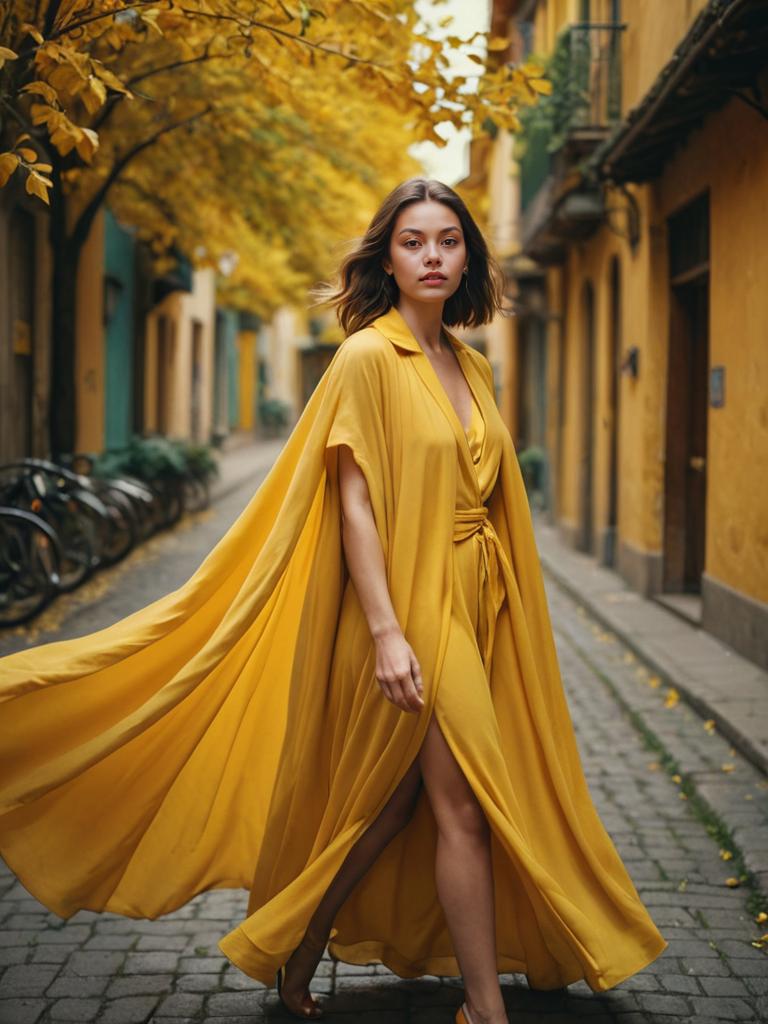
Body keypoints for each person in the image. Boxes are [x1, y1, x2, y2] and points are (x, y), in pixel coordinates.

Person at [0, 178, 667, 1024]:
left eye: (449, 241)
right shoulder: (364, 358)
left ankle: (298, 947)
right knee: (463, 802)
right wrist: (388, 633)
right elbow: (353, 501)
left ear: (469, 256)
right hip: (406, 607)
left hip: (476, 598)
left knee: (395, 803)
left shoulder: (472, 365)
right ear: (386, 256)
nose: (433, 256)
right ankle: (486, 1009)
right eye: (414, 240)